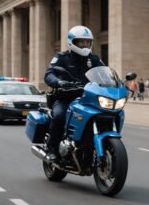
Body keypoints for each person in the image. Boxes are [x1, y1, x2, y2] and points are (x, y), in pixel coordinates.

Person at [44, 25, 105, 162]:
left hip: (88, 99)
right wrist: (58, 83)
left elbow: (104, 72)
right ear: (72, 42)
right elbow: (49, 74)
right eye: (81, 42)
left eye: (87, 42)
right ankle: (52, 149)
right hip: (66, 98)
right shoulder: (62, 57)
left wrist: (114, 83)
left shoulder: (93, 59)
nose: (84, 45)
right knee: (59, 116)